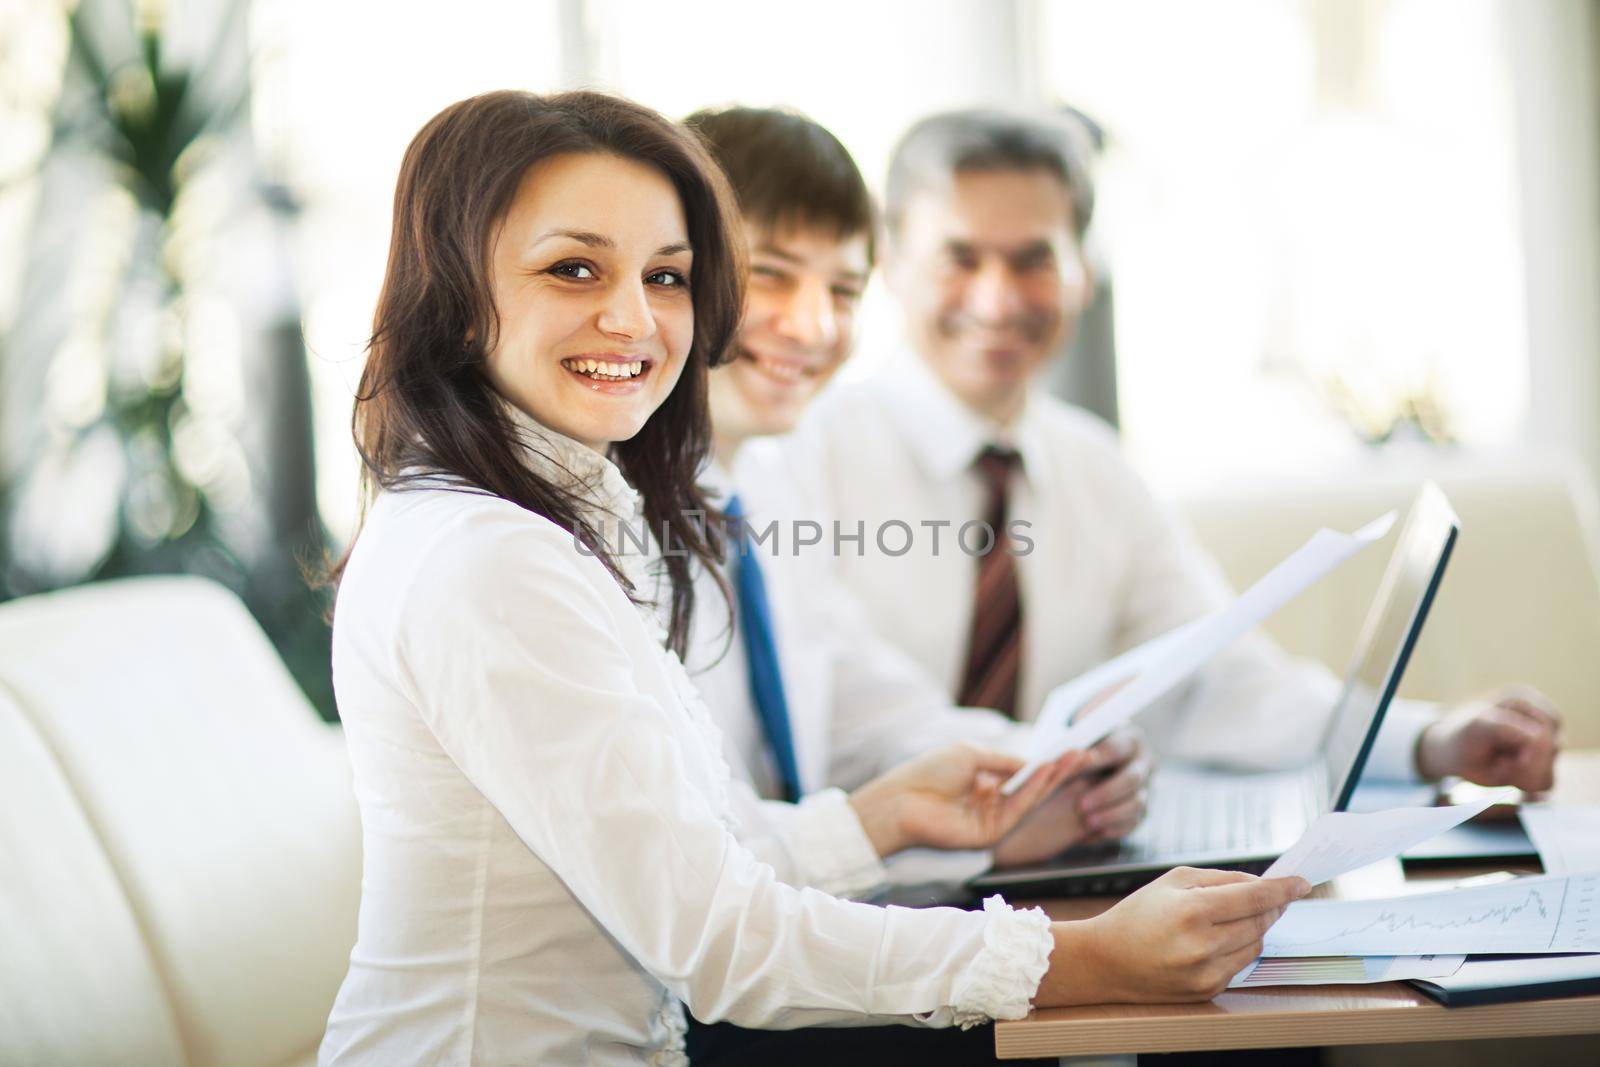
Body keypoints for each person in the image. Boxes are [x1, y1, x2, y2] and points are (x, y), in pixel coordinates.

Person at [318, 90, 1310, 1067]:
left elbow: (703, 847)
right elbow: (720, 938)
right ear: (451, 302)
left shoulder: (554, 525)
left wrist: (888, 815)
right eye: (574, 269)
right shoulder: (493, 559)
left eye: (666, 277)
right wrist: (1085, 955)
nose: (633, 317)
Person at [794, 107, 1563, 797]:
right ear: (888, 263)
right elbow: (850, 710)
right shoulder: (802, 455)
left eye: (1033, 259)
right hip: (870, 893)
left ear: (1081, 273)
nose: (996, 300)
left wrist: (1429, 741)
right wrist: (1045, 770)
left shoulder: (1096, 469)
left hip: (1055, 872)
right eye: (959, 258)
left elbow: (1219, 678)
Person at [678, 106, 1148, 898]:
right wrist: (900, 826)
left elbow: (864, 704)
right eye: (772, 275)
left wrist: (1046, 768)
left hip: (793, 932)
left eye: (843, 288)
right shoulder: (614, 521)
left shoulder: (762, 481)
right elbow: (699, 873)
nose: (814, 324)